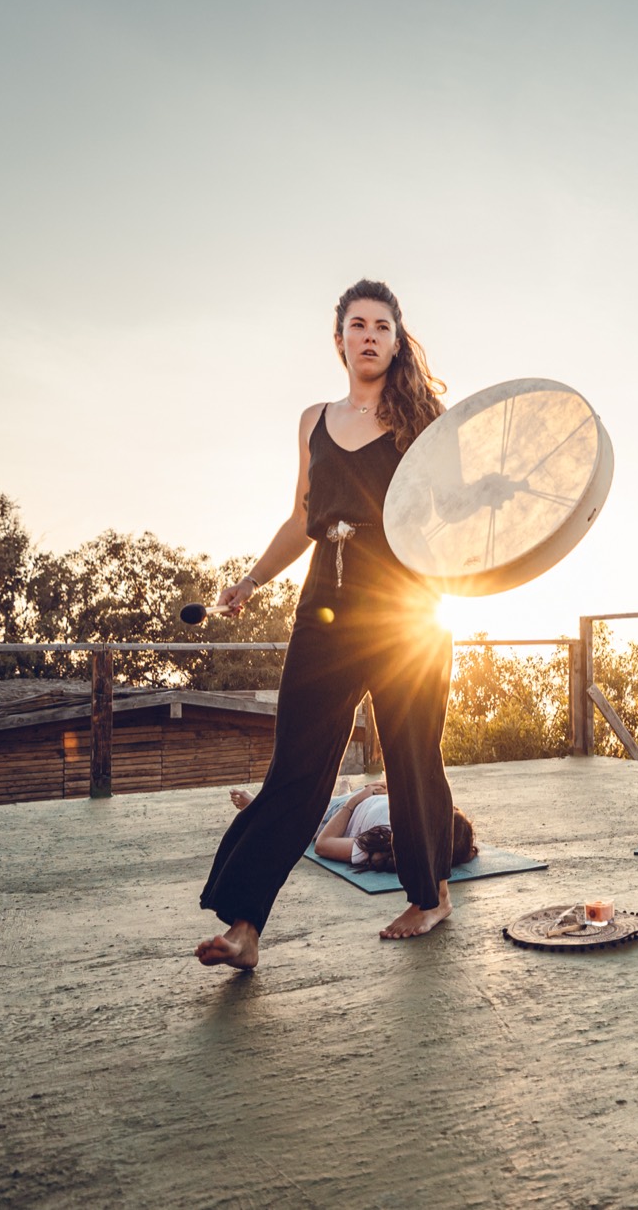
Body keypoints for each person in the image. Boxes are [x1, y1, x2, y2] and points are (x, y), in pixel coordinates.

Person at [196, 279, 455, 970]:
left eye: (382, 326)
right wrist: (250, 580)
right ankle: (245, 927)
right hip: (326, 607)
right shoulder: (314, 418)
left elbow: (455, 509)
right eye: (357, 324)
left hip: (405, 608)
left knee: (410, 754)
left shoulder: (422, 420)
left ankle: (430, 896)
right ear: (338, 337)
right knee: (296, 767)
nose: (369, 335)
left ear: (398, 342)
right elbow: (300, 517)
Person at [227, 779, 478, 873]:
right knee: (341, 794)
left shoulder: (383, 845)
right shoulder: (416, 816)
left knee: (292, 808)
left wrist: (356, 800)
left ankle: (256, 805)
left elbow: (323, 845)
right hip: (364, 799)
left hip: (334, 817)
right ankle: (345, 790)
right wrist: (385, 789)